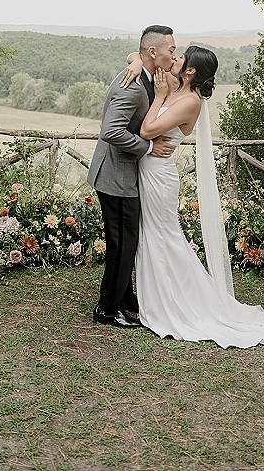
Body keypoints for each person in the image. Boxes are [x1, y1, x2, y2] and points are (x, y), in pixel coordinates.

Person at [126, 44, 264, 348]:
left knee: (164, 236)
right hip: (149, 171)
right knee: (153, 235)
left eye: (180, 58)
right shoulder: (176, 85)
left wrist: (162, 97)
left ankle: (178, 302)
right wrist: (135, 62)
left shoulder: (189, 101)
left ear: (190, 71)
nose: (174, 59)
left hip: (159, 176)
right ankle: (160, 296)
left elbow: (148, 129)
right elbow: (141, 56)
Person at [87, 24, 177, 329]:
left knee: (126, 240)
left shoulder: (145, 74)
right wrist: (149, 146)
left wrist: (135, 59)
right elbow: (110, 132)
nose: (174, 53)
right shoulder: (134, 85)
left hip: (123, 174)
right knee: (123, 243)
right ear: (154, 52)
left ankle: (125, 300)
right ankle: (106, 311)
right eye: (171, 49)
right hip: (116, 175)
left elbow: (134, 57)